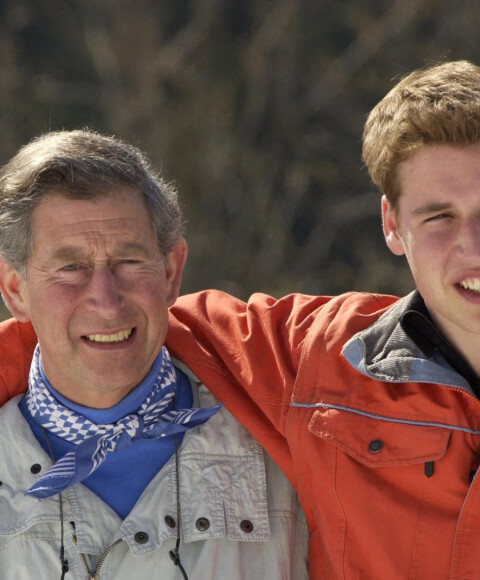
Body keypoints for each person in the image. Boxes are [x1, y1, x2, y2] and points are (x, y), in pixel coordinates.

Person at [2, 60, 480, 579]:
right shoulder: (323, 364)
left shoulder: (300, 380)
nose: (474, 246)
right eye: (437, 217)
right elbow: (95, 334)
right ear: (392, 225)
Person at [0, 130, 308, 579]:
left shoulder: (287, 452)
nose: (106, 300)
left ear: (170, 272)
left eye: (128, 261)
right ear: (15, 290)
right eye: (70, 268)